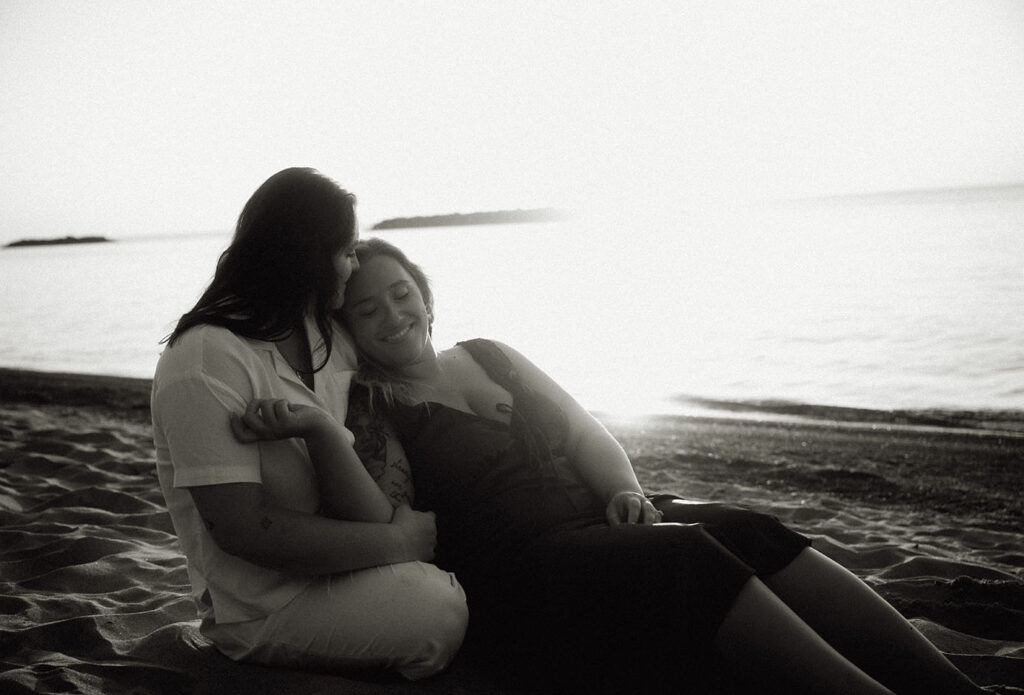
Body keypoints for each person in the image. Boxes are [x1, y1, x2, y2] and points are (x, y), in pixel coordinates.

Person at [239, 237, 988, 694]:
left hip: (597, 519)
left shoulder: (490, 354)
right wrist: (321, 431)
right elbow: (383, 511)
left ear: (427, 298)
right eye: (366, 309)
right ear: (350, 328)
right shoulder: (375, 405)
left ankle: (951, 688)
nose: (392, 313)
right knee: (688, 555)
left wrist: (625, 488)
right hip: (525, 576)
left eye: (400, 293)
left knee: (743, 526)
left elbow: (584, 430)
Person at [150, 170, 467, 680]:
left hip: (344, 558)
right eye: (345, 252)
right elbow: (240, 529)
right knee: (438, 609)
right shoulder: (207, 358)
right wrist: (399, 544)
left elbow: (401, 352)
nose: (354, 264)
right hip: (263, 604)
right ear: (306, 257)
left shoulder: (324, 332)